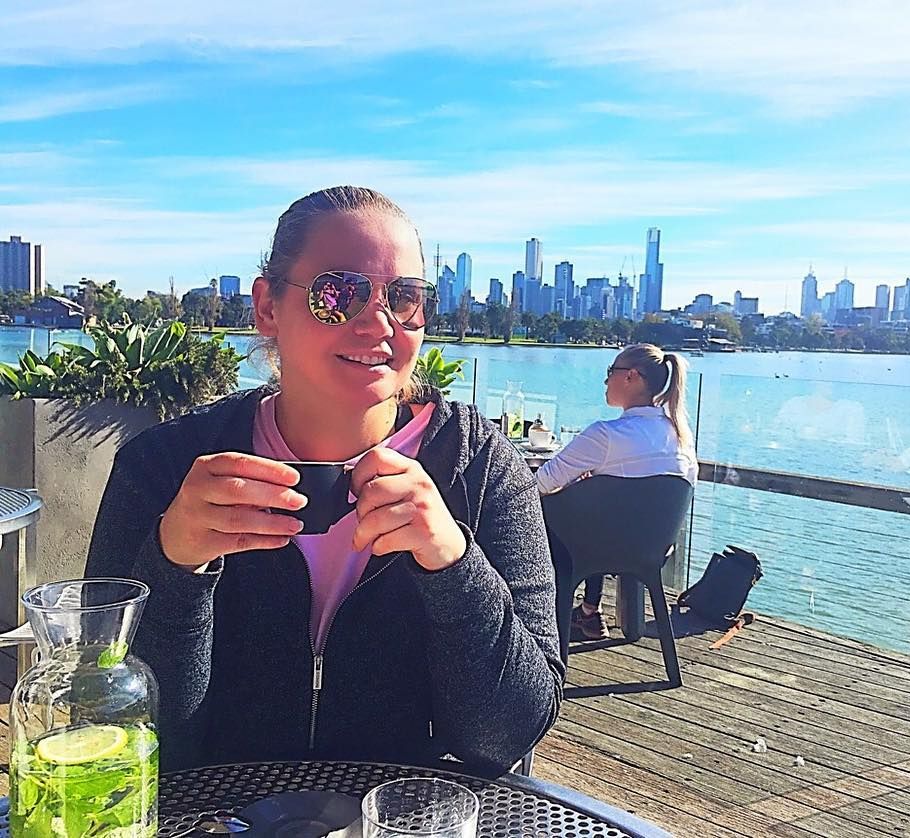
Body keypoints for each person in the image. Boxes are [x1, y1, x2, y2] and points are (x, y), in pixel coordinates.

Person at [86, 186, 563, 776]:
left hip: (408, 809)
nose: (378, 324)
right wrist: (176, 566)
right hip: (221, 809)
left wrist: (452, 565)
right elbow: (122, 729)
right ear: (267, 307)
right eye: (338, 293)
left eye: (404, 298)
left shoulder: (481, 469)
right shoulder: (163, 467)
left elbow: (509, 734)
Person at [536, 344, 698, 641]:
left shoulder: (606, 435)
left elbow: (540, 485)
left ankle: (528, 623)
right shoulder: (682, 439)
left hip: (591, 550)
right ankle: (589, 610)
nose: (605, 380)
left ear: (631, 376)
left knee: (535, 519)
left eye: (611, 371)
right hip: (652, 549)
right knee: (596, 516)